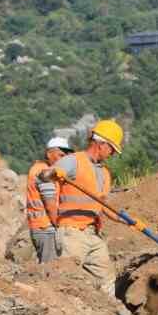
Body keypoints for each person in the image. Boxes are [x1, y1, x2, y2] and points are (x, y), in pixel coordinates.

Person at [40, 119, 123, 295]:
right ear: (101, 144)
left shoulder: (105, 173)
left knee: (107, 277)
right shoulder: (73, 161)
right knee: (67, 276)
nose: (112, 154)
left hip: (93, 234)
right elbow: (44, 176)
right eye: (112, 149)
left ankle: (109, 313)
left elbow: (103, 206)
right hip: (72, 233)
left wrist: (124, 219)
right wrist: (54, 172)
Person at [25, 135, 73, 262]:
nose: (63, 159)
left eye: (65, 157)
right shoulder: (44, 172)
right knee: (49, 270)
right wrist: (60, 226)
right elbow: (50, 205)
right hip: (46, 228)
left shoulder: (44, 169)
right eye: (61, 155)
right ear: (49, 153)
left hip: (42, 227)